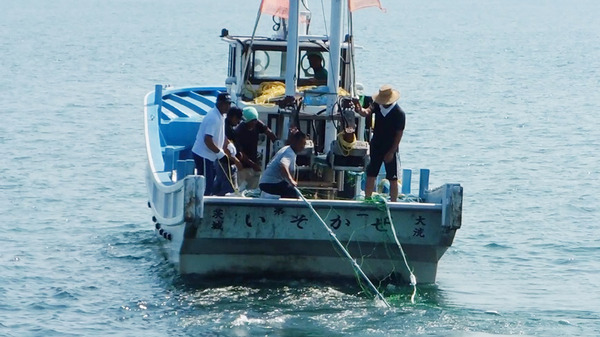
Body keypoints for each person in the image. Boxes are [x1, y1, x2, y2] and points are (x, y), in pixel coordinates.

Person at [354, 85, 406, 202]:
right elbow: (366, 112)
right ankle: (368, 199)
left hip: (390, 147)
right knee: (371, 174)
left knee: (393, 178)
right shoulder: (377, 105)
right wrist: (359, 108)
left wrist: (391, 152)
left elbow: (399, 135)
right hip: (376, 144)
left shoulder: (399, 113)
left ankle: (394, 202)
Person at [191, 92, 234, 196]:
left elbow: (219, 134)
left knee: (211, 182)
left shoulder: (221, 116)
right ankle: (203, 205)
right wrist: (220, 154)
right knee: (206, 185)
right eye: (225, 104)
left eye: (229, 104)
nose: (228, 106)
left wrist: (228, 144)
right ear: (219, 103)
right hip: (204, 156)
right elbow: (208, 140)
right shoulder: (213, 118)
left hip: (211, 157)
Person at [235, 107, 277, 190]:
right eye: (252, 121)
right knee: (239, 190)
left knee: (253, 191)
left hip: (254, 166)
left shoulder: (257, 123)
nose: (254, 123)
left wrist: (277, 143)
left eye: (255, 121)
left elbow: (268, 131)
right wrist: (253, 164)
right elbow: (240, 152)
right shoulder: (239, 131)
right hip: (242, 167)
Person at [259, 130, 307, 198]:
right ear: (295, 142)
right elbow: (283, 165)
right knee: (292, 192)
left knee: (289, 188)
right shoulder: (289, 153)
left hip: (266, 183)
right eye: (302, 143)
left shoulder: (287, 149)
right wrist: (291, 180)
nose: (303, 146)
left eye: (304, 144)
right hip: (269, 184)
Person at [213, 107, 244, 196]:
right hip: (225, 163)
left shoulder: (227, 126)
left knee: (219, 185)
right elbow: (224, 146)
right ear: (233, 117)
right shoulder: (226, 128)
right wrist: (236, 160)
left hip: (225, 162)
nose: (238, 123)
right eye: (238, 120)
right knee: (229, 189)